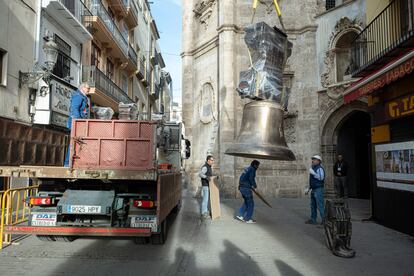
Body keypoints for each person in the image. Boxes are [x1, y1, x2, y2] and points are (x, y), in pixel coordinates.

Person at [64, 82, 91, 167]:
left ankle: (71, 163)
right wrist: (78, 122)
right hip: (77, 123)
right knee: (74, 142)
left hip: (79, 123)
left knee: (77, 142)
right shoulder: (78, 96)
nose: (89, 90)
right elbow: (74, 109)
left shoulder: (83, 97)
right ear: (82, 88)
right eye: (88, 88)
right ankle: (68, 163)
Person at [236, 160, 260, 224]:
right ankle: (248, 219)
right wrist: (255, 187)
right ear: (255, 165)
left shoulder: (247, 168)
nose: (258, 167)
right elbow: (251, 178)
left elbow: (242, 178)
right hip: (246, 188)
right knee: (251, 203)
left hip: (241, 187)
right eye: (257, 165)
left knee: (246, 202)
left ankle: (240, 215)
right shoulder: (252, 169)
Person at [305, 155, 325, 225]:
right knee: (313, 205)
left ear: (319, 161)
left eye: (314, 159)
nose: (313, 161)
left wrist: (313, 173)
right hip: (314, 189)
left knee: (320, 205)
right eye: (313, 159)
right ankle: (313, 219)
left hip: (318, 189)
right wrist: (308, 188)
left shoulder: (320, 168)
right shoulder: (313, 168)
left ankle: (324, 220)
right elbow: (312, 180)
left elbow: (321, 178)